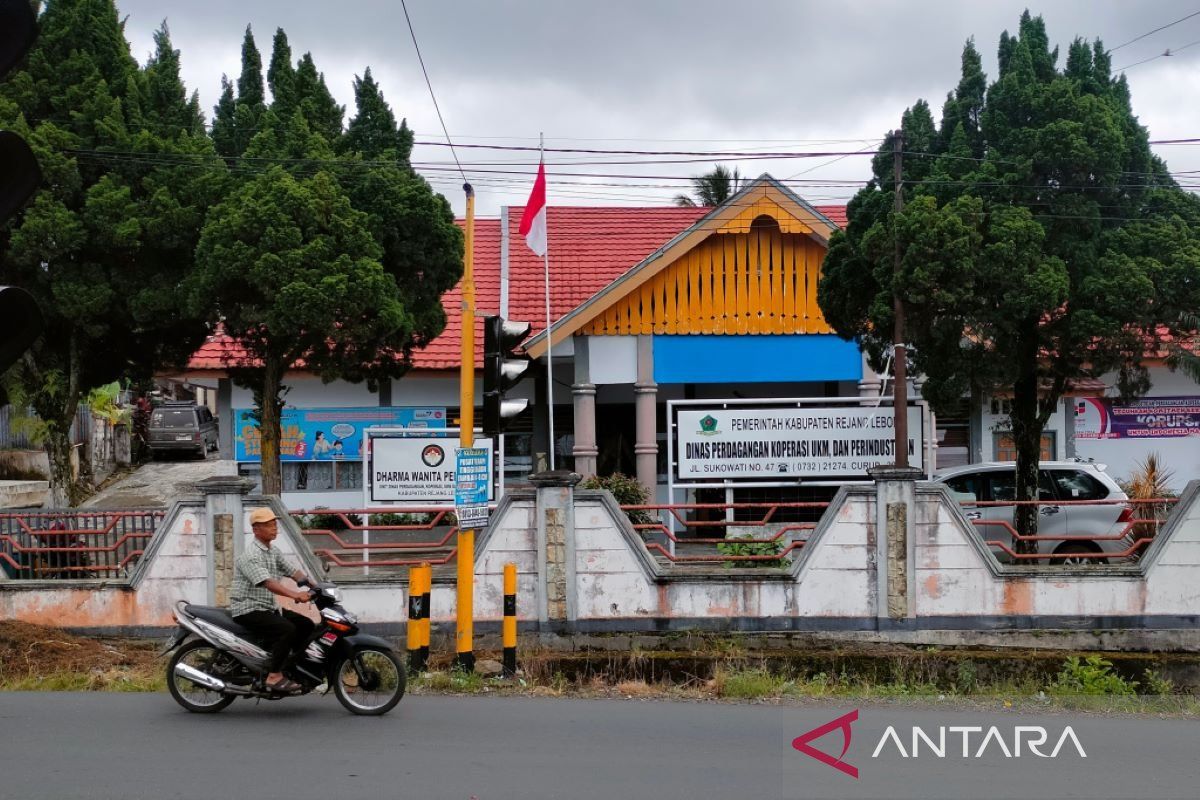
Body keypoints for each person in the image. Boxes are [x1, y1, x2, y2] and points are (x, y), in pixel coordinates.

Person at [230, 507, 315, 693]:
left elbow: (292, 571)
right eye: (269, 525)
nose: (274, 528)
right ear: (256, 530)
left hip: (267, 606)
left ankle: (289, 665)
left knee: (307, 624)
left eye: (275, 524)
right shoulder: (251, 555)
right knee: (287, 629)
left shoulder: (272, 551)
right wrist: (295, 595)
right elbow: (268, 582)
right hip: (248, 607)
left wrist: (316, 586)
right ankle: (274, 675)